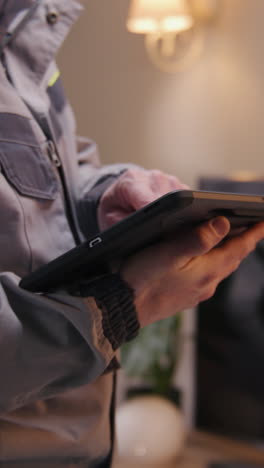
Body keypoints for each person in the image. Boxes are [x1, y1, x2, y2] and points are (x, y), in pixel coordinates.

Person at [0, 1, 264, 467]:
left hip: (84, 443)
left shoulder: (24, 34)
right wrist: (122, 306)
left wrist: (106, 193)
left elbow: (61, 171)